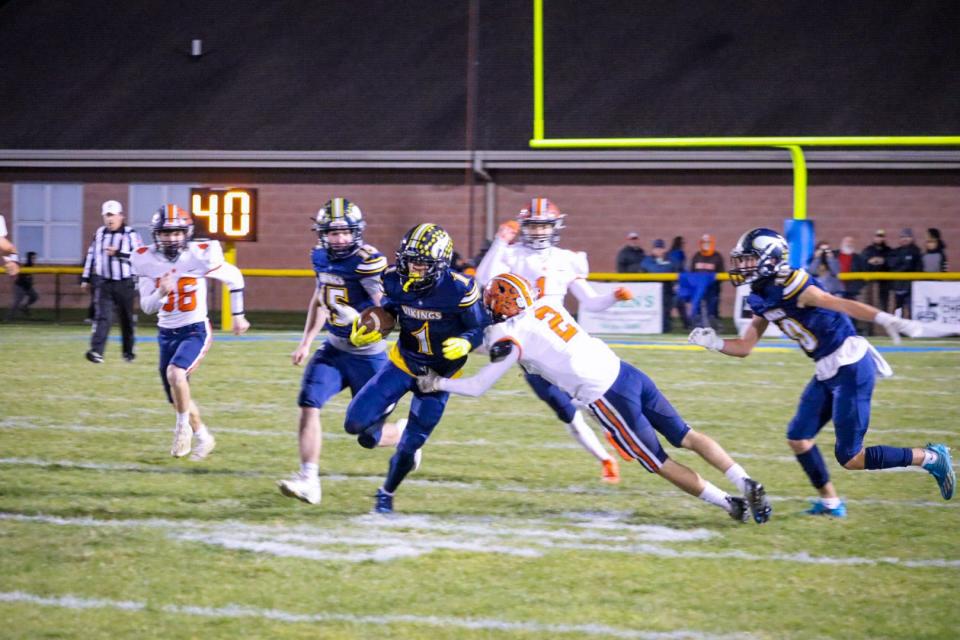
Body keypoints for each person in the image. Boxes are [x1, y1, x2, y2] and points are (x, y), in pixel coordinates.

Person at [418, 273, 772, 524]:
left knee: (658, 462)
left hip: (605, 395)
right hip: (626, 371)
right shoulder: (547, 306)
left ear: (500, 306)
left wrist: (437, 383)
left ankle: (729, 503)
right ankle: (744, 480)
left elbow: (480, 385)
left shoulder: (510, 333)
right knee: (686, 434)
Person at [688, 228, 954, 517]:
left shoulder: (792, 283)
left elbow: (839, 303)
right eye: (742, 260)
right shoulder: (760, 295)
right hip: (827, 369)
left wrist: (884, 318)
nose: (742, 267)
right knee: (798, 437)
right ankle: (831, 504)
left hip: (851, 365)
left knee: (851, 457)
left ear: (771, 258)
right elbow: (745, 346)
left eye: (749, 259)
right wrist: (715, 343)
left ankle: (929, 457)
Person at [475, 198, 632, 483]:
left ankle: (616, 433)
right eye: (533, 227)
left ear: (555, 227)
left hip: (562, 340)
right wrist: (499, 241)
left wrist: (612, 297)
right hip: (529, 345)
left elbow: (592, 303)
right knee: (565, 410)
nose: (538, 233)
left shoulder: (565, 259)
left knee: (588, 394)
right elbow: (485, 278)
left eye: (543, 227)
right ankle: (606, 458)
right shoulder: (513, 254)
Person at [343, 223, 488, 514]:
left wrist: (465, 343)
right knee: (356, 426)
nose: (414, 268)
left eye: (422, 264)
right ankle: (389, 425)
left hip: (438, 377)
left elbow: (479, 328)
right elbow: (389, 313)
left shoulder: (459, 288)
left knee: (411, 445)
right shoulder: (394, 279)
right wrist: (370, 328)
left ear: (440, 264)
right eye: (410, 261)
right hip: (403, 362)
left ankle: (386, 493)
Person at [277, 198, 406, 506]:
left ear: (356, 232)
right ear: (322, 234)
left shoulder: (367, 261)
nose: (339, 239)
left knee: (368, 437)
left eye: (345, 232)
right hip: (334, 349)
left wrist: (362, 320)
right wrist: (306, 340)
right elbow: (320, 297)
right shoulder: (320, 257)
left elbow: (388, 315)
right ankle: (309, 480)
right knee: (309, 404)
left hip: (369, 355)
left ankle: (403, 436)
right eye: (333, 233)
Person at [131, 204, 250, 460]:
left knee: (176, 373)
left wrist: (238, 316)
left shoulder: (200, 254)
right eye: (165, 232)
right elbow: (147, 307)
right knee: (176, 395)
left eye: (176, 232)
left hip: (195, 329)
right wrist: (161, 292)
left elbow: (235, 277)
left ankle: (181, 429)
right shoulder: (144, 258)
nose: (171, 238)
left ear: (187, 233)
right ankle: (204, 437)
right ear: (156, 234)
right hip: (166, 332)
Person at [80, 200, 143, 363]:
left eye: (113, 215)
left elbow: (140, 256)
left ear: (121, 216)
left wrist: (119, 253)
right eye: (107, 215)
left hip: (125, 282)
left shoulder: (131, 234)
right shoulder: (99, 233)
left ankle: (128, 352)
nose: (110, 219)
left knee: (126, 319)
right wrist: (85, 278)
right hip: (104, 283)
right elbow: (91, 256)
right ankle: (96, 351)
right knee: (102, 317)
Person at [640, 238, 681, 332]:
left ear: (664, 249)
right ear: (653, 250)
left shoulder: (671, 260)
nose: (658, 250)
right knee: (653, 312)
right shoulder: (647, 260)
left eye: (660, 248)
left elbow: (676, 269)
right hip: (651, 292)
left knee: (666, 312)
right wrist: (665, 268)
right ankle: (652, 330)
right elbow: (654, 270)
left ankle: (666, 330)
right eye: (656, 248)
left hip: (667, 290)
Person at [690, 234, 724, 329]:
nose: (706, 245)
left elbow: (721, 273)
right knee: (697, 308)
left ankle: (713, 325)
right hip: (698, 287)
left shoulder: (717, 256)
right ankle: (697, 325)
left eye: (708, 243)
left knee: (712, 308)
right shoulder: (697, 256)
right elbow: (692, 272)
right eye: (704, 243)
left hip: (712, 288)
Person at [889, 228, 922, 316]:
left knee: (912, 309)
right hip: (898, 286)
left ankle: (912, 328)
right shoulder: (896, 251)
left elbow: (915, 267)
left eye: (907, 236)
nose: (904, 239)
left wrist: (902, 265)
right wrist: (904, 265)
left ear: (912, 238)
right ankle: (898, 328)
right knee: (898, 310)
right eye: (902, 237)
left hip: (911, 286)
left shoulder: (916, 251)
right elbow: (891, 265)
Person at [860, 229, 892, 314]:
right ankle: (869, 327)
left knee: (883, 305)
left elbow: (892, 263)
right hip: (871, 281)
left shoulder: (888, 250)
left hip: (884, 282)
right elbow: (862, 262)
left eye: (881, 236)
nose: (879, 238)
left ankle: (883, 326)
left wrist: (883, 261)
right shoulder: (868, 250)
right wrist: (870, 261)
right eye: (877, 236)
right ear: (874, 237)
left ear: (884, 238)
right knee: (869, 305)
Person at [8, 251, 39, 320]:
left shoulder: (32, 266)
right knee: (17, 301)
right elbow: (22, 278)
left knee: (35, 296)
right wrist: (28, 282)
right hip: (20, 286)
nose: (34, 259)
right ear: (29, 258)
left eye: (35, 258)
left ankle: (24, 307)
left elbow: (29, 278)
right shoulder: (27, 266)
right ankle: (9, 317)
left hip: (27, 286)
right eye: (33, 258)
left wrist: (30, 283)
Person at [668, 236, 690, 329]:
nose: (684, 244)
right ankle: (685, 323)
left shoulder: (670, 253)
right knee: (676, 303)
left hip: (673, 281)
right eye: (683, 243)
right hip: (677, 281)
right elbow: (678, 268)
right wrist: (677, 283)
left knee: (678, 303)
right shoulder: (678, 253)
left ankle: (686, 323)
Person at [836, 236, 866, 301]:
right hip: (836, 289)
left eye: (851, 242)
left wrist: (858, 286)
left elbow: (864, 273)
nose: (849, 244)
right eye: (847, 242)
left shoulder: (858, 258)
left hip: (851, 291)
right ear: (842, 243)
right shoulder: (834, 255)